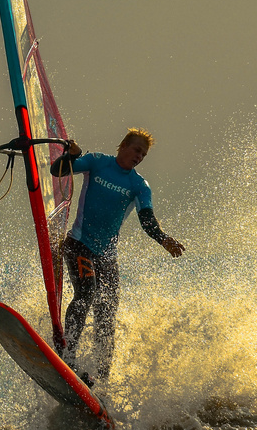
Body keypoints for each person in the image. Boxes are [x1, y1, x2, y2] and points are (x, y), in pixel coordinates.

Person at [50, 127, 184, 382]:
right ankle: (69, 356)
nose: (139, 157)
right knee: (86, 291)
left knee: (107, 313)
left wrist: (163, 239)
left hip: (107, 257)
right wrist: (70, 156)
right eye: (136, 150)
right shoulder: (97, 162)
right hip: (79, 244)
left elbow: (147, 220)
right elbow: (56, 171)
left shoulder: (139, 186)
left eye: (143, 155)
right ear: (123, 145)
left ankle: (102, 379)